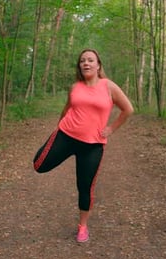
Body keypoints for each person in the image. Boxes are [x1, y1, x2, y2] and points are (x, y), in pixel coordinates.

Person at [33, 48, 134, 243]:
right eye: (82, 61)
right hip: (66, 136)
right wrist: (60, 128)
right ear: (80, 66)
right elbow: (66, 109)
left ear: (98, 65)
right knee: (39, 165)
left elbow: (128, 109)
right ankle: (58, 140)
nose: (86, 63)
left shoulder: (109, 86)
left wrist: (111, 129)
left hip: (92, 145)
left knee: (85, 187)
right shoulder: (75, 87)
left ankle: (83, 227)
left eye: (90, 60)